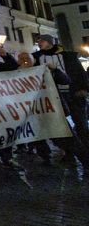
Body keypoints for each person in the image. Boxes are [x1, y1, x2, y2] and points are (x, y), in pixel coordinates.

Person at [33, 35, 89, 166]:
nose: (39, 43)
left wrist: (84, 89)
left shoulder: (69, 56)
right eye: (38, 41)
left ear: (50, 42)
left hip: (73, 93)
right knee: (62, 126)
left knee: (80, 123)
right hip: (52, 96)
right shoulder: (36, 58)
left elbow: (80, 72)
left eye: (42, 40)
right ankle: (70, 153)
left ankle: (86, 150)